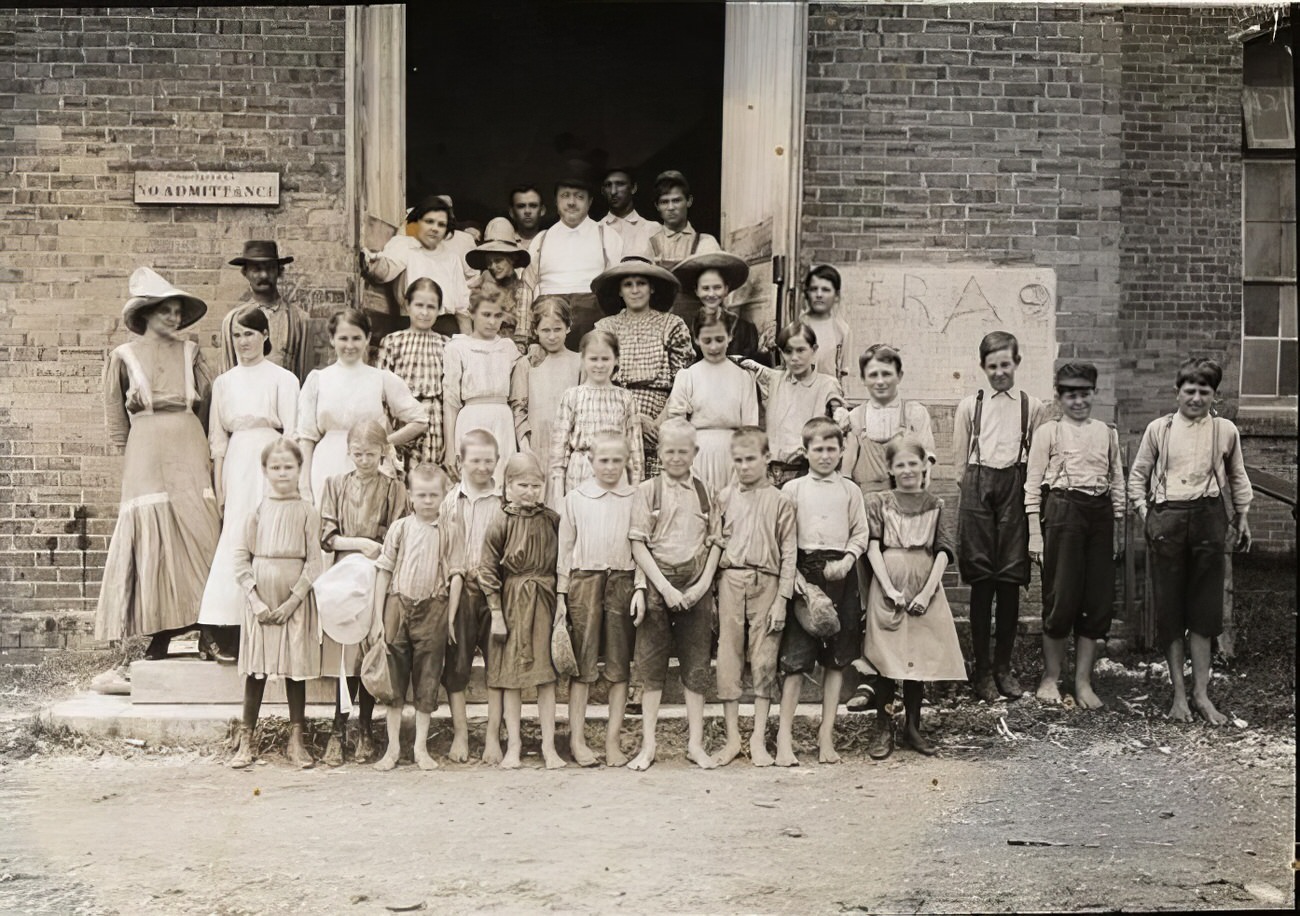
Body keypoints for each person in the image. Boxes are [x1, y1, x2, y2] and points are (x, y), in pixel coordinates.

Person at [96, 267, 220, 662]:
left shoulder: (192, 352)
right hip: (145, 447)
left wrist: (199, 444)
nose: (174, 318)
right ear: (146, 313)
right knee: (155, 536)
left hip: (188, 442)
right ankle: (161, 631)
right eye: (166, 310)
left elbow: (208, 403)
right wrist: (130, 451)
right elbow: (115, 417)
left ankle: (208, 628)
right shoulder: (124, 356)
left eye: (178, 311)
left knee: (200, 529)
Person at [1127, 357, 1252, 725]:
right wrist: (1145, 513)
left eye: (1204, 392)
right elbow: (1138, 476)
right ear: (1176, 391)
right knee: (1170, 609)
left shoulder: (1225, 430)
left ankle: (1201, 694)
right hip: (1168, 518)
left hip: (1209, 518)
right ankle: (1178, 697)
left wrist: (1242, 516)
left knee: (1203, 610)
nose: (1196, 398)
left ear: (1215, 395)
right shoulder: (1159, 429)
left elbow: (1238, 476)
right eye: (1189, 390)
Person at [199, 306, 300, 661]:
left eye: (250, 334)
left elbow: (294, 432)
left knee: (270, 535)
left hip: (272, 459)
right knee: (236, 537)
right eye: (237, 335)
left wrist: (286, 475)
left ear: (265, 335)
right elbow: (218, 441)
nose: (244, 342)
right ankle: (223, 624)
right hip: (238, 463)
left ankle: (272, 622)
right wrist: (219, 485)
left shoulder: (284, 379)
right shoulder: (224, 384)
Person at [953, 331, 1047, 703]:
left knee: (1009, 582)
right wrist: (974, 491)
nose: (999, 373)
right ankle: (982, 671)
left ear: (1017, 363)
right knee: (982, 583)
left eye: (1005, 365)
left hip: (1015, 489)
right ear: (982, 367)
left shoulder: (1032, 406)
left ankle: (1004, 668)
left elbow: (1036, 462)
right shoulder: (969, 406)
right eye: (992, 366)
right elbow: (960, 464)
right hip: (978, 489)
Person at [840, 343, 935, 712]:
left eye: (886, 373)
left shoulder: (913, 414)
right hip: (866, 514)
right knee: (869, 598)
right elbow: (846, 475)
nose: (880, 380)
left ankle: (908, 677)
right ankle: (871, 680)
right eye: (872, 374)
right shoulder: (854, 418)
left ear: (899, 375)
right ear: (863, 378)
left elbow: (923, 470)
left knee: (902, 593)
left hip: (903, 516)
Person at [1024, 363, 1125, 709]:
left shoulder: (1107, 432)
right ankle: (1051, 677)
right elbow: (1032, 488)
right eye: (1071, 395)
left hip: (1099, 516)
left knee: (1096, 600)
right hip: (1062, 512)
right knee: (1061, 596)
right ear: (1059, 397)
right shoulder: (1048, 433)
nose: (1078, 402)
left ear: (1094, 394)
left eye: (1085, 394)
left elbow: (1117, 483)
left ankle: (1083, 682)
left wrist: (1117, 529)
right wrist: (1034, 536)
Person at [859, 437, 966, 758]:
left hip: (924, 584)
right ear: (891, 469)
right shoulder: (879, 501)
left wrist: (927, 590)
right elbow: (872, 546)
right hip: (889, 582)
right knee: (887, 658)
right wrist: (888, 588)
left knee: (917, 659)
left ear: (924, 466)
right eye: (900, 464)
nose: (907, 470)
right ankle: (884, 729)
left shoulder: (936, 504)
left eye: (912, 463)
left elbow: (945, 550)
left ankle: (913, 729)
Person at [627, 419, 722, 771]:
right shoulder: (647, 491)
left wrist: (701, 587)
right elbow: (637, 544)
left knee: (696, 666)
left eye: (684, 451)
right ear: (659, 453)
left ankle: (695, 744)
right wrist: (663, 589)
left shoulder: (705, 491)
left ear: (695, 453)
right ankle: (648, 745)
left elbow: (715, 543)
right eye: (670, 451)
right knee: (651, 668)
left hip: (696, 584)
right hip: (657, 583)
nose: (677, 458)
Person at [775, 417, 870, 766]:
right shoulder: (793, 490)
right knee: (796, 661)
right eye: (819, 449)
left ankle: (826, 735)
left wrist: (847, 560)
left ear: (843, 451)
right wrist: (798, 581)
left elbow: (860, 533)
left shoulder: (850, 490)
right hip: (803, 573)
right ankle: (784, 738)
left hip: (841, 574)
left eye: (832, 449)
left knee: (836, 661)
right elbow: (783, 539)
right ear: (806, 451)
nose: (826, 455)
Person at [318, 419, 409, 767]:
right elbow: (327, 536)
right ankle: (337, 729)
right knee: (346, 653)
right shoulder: (336, 484)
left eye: (371, 454)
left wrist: (378, 551)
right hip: (344, 572)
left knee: (371, 651)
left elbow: (398, 535)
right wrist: (361, 544)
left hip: (377, 575)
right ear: (348, 452)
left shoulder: (393, 488)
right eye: (357, 454)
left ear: (383, 452)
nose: (364, 460)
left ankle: (367, 728)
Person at [228, 437, 322, 770]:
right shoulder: (256, 511)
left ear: (300, 469)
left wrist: (294, 600)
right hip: (262, 603)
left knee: (295, 671)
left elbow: (314, 563)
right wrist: (254, 600)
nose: (282, 473)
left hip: (292, 602)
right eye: (275, 467)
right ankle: (246, 739)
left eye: (289, 467)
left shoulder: (308, 511)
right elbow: (240, 558)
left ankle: (296, 740)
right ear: (265, 471)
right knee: (257, 669)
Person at [555, 431, 644, 767]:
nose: (609, 467)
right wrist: (562, 594)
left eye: (616, 460)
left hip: (621, 582)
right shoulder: (575, 498)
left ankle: (612, 742)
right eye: (603, 460)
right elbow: (565, 548)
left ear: (626, 462)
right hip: (584, 583)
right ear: (590, 462)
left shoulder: (636, 497)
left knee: (619, 668)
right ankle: (577, 741)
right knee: (583, 666)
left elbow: (641, 548)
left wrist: (639, 587)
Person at [476, 453, 567, 770]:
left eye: (536, 485)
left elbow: (564, 563)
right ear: (508, 487)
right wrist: (497, 614)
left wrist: (561, 603)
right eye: (522, 485)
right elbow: (487, 571)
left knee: (546, 678)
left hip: (543, 602)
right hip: (512, 602)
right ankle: (513, 745)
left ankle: (549, 746)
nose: (530, 491)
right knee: (512, 678)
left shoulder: (552, 520)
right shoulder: (501, 522)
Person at [714, 427, 797, 767]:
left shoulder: (781, 501)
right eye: (738, 460)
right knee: (729, 659)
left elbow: (789, 554)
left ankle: (758, 738)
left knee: (764, 661)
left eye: (751, 459)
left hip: (768, 582)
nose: (744, 466)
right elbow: (714, 544)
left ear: (766, 459)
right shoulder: (723, 497)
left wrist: (782, 599)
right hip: (731, 581)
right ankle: (733, 738)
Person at [371, 463, 456, 772]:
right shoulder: (401, 528)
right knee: (394, 680)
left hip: (433, 608)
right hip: (398, 605)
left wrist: (449, 616)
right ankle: (392, 748)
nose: (428, 501)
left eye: (434, 495)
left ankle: (420, 747)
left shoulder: (448, 530)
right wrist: (378, 616)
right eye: (421, 495)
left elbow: (453, 574)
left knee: (428, 678)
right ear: (410, 496)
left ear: (444, 495)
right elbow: (384, 570)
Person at [296, 308, 428, 505]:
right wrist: (303, 484)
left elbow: (420, 420)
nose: (350, 345)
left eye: (356, 338)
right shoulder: (318, 380)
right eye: (343, 338)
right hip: (327, 464)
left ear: (367, 338)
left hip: (371, 464)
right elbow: (306, 437)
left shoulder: (380, 378)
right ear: (332, 339)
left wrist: (384, 442)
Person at [592, 257, 692, 478]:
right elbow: (599, 381)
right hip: (615, 415)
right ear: (619, 291)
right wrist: (633, 418)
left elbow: (682, 381)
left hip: (663, 418)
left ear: (652, 287)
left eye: (641, 283)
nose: (635, 290)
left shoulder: (672, 325)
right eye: (628, 284)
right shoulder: (606, 328)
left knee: (657, 493)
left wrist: (659, 422)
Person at [440, 428, 506, 764]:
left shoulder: (504, 501)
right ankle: (461, 733)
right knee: (457, 665)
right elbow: (443, 548)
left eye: (488, 460)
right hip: (461, 590)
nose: (482, 467)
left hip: (496, 593)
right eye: (475, 460)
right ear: (460, 462)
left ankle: (493, 735)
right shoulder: (451, 500)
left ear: (497, 461)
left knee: (497, 667)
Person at [739, 321, 849, 488]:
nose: (795, 358)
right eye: (788, 351)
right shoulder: (775, 379)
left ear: (814, 350)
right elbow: (755, 369)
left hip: (804, 471)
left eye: (801, 350)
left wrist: (840, 414)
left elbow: (838, 410)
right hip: (769, 472)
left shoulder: (826, 384)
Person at [524, 175, 625, 349]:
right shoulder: (541, 239)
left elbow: (616, 287)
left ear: (590, 201)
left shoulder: (607, 236)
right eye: (565, 196)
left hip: (593, 327)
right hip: (550, 327)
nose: (571, 202)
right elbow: (528, 287)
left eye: (579, 197)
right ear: (556, 201)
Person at [664, 311, 759, 493]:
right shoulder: (688, 376)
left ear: (730, 336)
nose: (714, 347)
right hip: (696, 453)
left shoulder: (743, 377)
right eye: (707, 341)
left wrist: (746, 462)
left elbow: (750, 428)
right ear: (697, 340)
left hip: (734, 454)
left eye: (719, 339)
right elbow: (676, 424)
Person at [442, 292, 530, 486]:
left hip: (502, 420)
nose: (492, 322)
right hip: (471, 419)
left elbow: (520, 392)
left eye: (497, 316)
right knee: (472, 481)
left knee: (501, 483)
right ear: (472, 314)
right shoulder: (457, 347)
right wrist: (450, 450)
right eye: (486, 315)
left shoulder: (507, 347)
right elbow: (450, 402)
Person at [548, 329, 644, 505]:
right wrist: (557, 495)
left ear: (616, 360)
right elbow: (558, 450)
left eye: (605, 359)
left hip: (614, 473)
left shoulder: (625, 398)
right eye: (593, 359)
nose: (599, 365)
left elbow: (634, 449)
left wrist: (635, 490)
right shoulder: (572, 396)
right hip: (580, 473)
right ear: (583, 360)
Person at [361, 195, 472, 336]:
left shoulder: (452, 258)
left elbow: (462, 308)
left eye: (441, 224)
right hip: (412, 324)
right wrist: (369, 261)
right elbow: (384, 271)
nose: (434, 229)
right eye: (429, 222)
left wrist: (467, 344)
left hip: (446, 327)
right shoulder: (406, 246)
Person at [376, 279, 448, 478]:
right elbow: (381, 395)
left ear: (439, 309)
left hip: (434, 424)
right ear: (407, 305)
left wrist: (449, 442)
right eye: (419, 305)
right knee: (398, 481)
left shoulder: (446, 345)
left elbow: (449, 398)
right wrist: (388, 436)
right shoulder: (392, 342)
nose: (424, 312)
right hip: (400, 424)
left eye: (431, 307)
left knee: (427, 483)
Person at [220, 240, 315, 385]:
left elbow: (305, 378)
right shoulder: (232, 321)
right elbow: (226, 376)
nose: (264, 275)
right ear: (245, 272)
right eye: (256, 269)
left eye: (270, 268)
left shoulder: (299, 320)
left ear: (279, 271)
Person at [527, 297, 583, 506]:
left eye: (557, 329)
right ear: (536, 331)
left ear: (568, 327)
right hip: (537, 443)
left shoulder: (578, 361)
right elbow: (521, 407)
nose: (552, 336)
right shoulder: (530, 363)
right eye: (545, 330)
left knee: (563, 503)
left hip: (566, 443)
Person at [647, 171, 721, 325]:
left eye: (677, 200)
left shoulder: (706, 242)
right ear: (657, 206)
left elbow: (716, 291)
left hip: (698, 325)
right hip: (659, 326)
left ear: (689, 201)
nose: (671, 207)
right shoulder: (648, 244)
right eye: (664, 202)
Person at [670, 250, 765, 364]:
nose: (711, 294)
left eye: (717, 287)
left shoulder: (744, 330)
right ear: (697, 291)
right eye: (705, 288)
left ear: (726, 289)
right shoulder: (686, 328)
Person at [467, 238, 534, 353]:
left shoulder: (522, 291)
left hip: (512, 350)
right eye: (489, 263)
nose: (493, 266)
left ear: (512, 259)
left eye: (498, 260)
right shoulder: (486, 291)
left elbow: (521, 337)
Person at [798, 265, 853, 384]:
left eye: (825, 290)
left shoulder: (842, 330)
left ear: (836, 295)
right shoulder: (798, 325)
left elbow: (842, 373)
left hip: (828, 394)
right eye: (814, 289)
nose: (819, 294)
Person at [600, 167, 659, 259]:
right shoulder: (595, 231)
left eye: (620, 184)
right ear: (603, 191)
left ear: (633, 188)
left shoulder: (653, 230)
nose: (613, 191)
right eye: (608, 185)